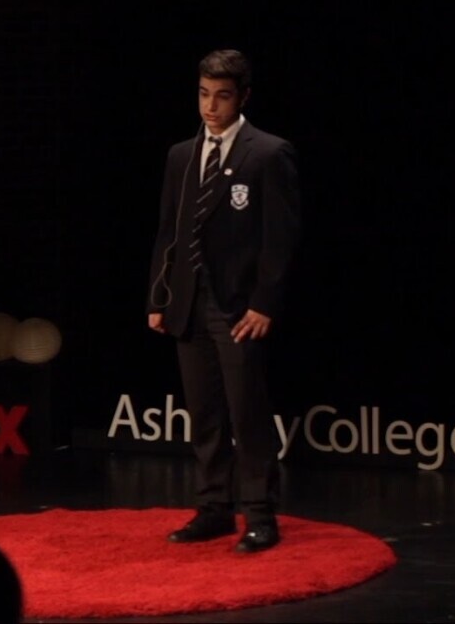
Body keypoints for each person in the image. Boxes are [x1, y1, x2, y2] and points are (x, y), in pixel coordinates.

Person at [147, 49, 301, 553]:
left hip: (237, 306)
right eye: (203, 94)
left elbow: (279, 239)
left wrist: (265, 302)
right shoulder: (181, 155)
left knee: (246, 412)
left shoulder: (267, 153)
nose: (210, 107)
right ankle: (214, 508)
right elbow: (169, 231)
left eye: (222, 96)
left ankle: (259, 514)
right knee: (204, 413)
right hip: (188, 302)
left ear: (243, 97)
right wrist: (159, 298)